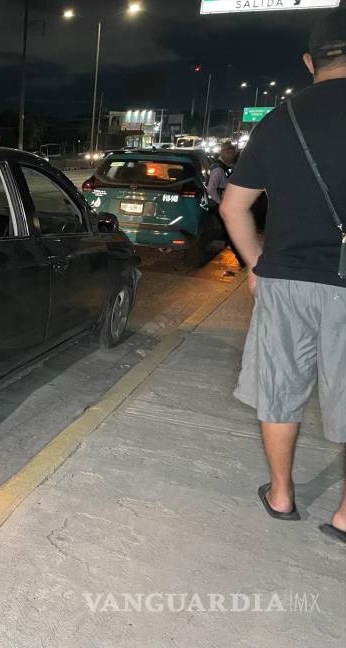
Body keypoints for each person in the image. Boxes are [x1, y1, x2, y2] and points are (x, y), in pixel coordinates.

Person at [220, 8, 346, 544]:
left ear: (308, 61)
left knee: (280, 390)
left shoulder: (279, 120)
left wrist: (255, 263)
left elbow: (233, 207)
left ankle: (281, 494)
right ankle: (344, 515)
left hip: (287, 278)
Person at [206, 141, 244, 266]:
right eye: (228, 152)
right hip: (219, 204)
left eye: (233, 152)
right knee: (231, 231)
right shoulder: (218, 169)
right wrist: (221, 203)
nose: (231, 155)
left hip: (227, 202)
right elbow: (211, 189)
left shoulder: (228, 166)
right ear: (222, 153)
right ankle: (241, 259)